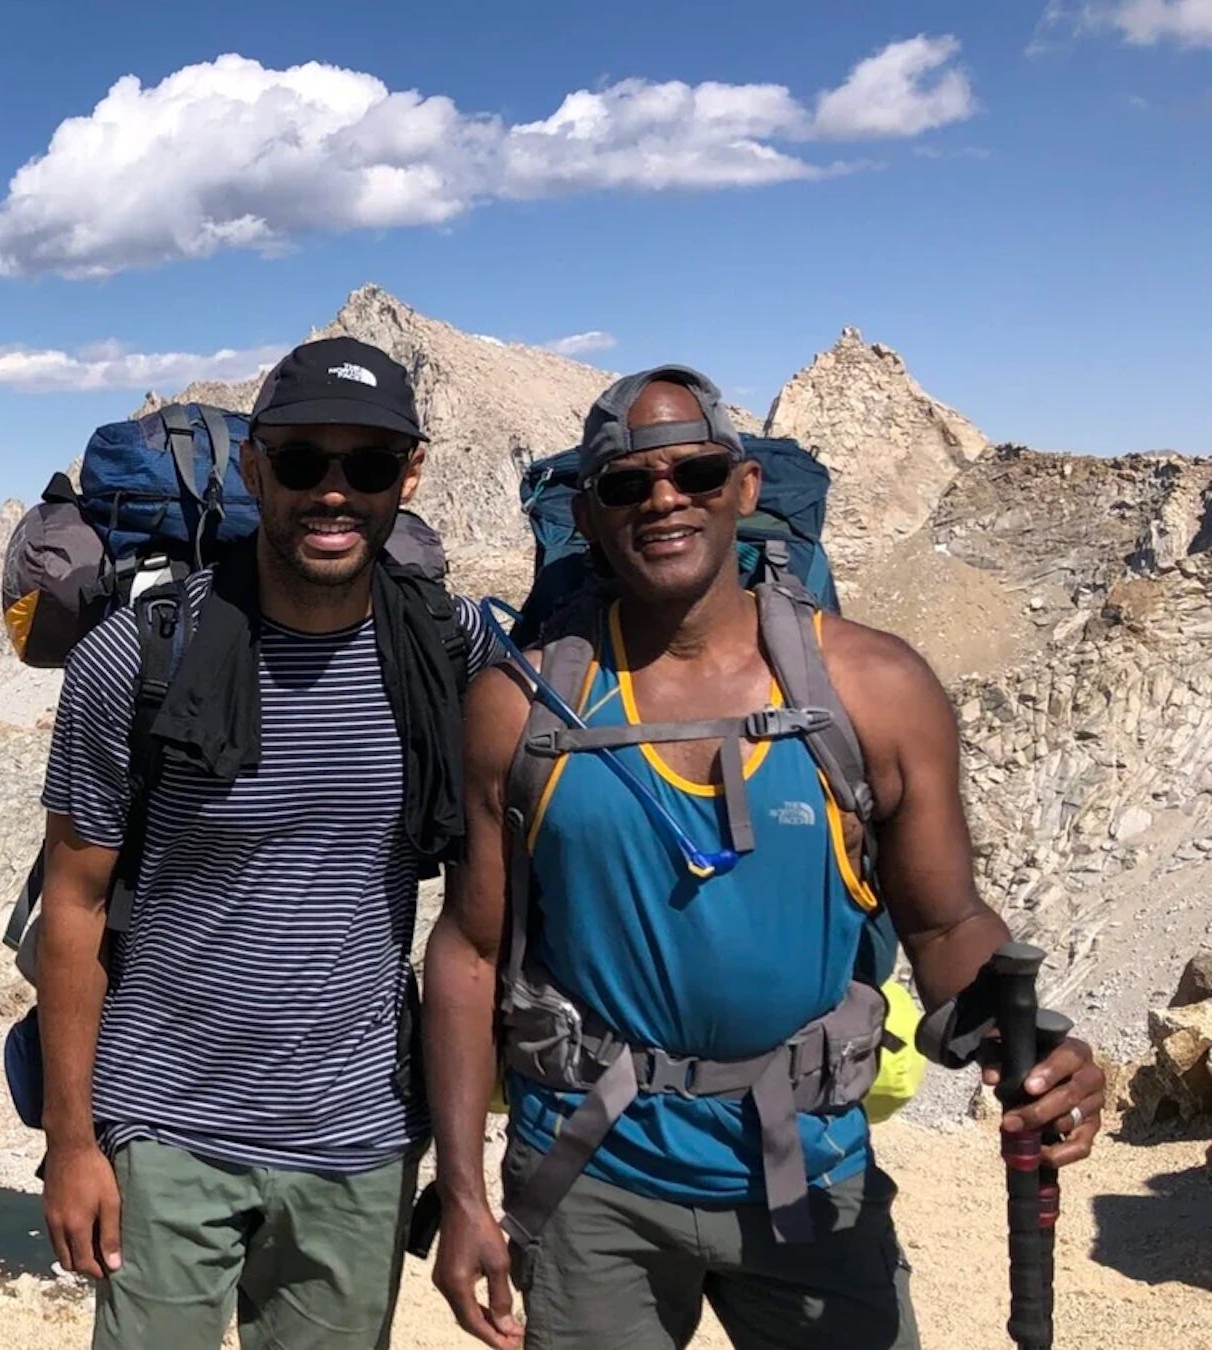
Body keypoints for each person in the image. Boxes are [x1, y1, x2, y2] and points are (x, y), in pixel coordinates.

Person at [423, 364, 1109, 1349]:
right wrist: (460, 1196)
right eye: (627, 484)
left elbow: (947, 921)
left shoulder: (874, 687)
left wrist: (1024, 1047)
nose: (664, 500)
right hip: (587, 1181)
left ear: (742, 488)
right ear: (589, 512)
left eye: (695, 474)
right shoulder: (517, 708)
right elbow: (469, 950)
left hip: (812, 1173)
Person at [33, 336, 490, 1348]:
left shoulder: (449, 650)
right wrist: (72, 1141)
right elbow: (74, 905)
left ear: (407, 478)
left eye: (367, 467)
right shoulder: (138, 655)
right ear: (253, 468)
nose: (334, 492)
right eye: (300, 463)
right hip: (165, 1127)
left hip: (358, 1136)